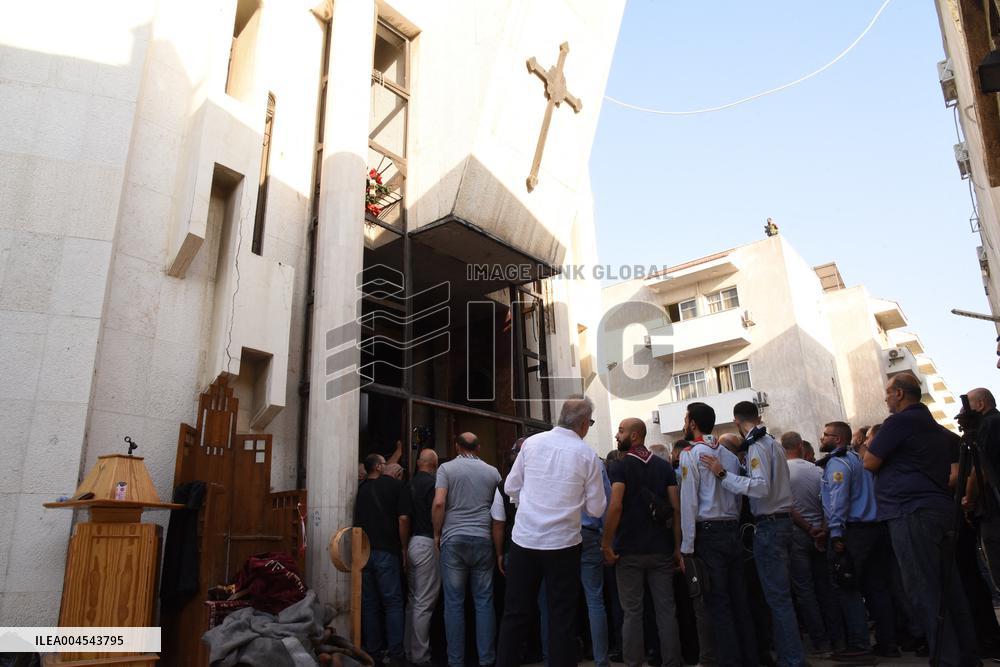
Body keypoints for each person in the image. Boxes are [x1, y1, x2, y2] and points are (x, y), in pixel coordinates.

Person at [864, 373, 978, 666]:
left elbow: (870, 461)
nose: (886, 398)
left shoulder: (899, 422)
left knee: (924, 591)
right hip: (938, 510)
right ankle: (968, 656)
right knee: (950, 590)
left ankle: (946, 659)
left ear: (900, 393)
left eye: (888, 392)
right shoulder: (936, 428)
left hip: (910, 511)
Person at [497, 396, 607, 667]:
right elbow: (596, 509)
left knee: (515, 613)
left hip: (525, 539)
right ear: (584, 423)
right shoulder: (587, 455)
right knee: (562, 617)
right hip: (564, 544)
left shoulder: (532, 443)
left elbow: (510, 486)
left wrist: (529, 503)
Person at [700, 401, 805, 667]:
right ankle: (790, 656)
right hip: (780, 523)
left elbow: (759, 487)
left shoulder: (757, 445)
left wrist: (722, 474)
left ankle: (793, 660)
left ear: (737, 421)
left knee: (778, 600)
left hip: (770, 525)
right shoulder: (773, 443)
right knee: (781, 598)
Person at [679, 403, 758, 667]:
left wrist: (687, 546)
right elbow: (737, 498)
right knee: (740, 600)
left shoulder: (691, 454)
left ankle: (730, 660)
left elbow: (689, 502)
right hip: (731, 529)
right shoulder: (729, 455)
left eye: (686, 419)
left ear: (692, 423)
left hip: (709, 533)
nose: (685, 424)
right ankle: (750, 657)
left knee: (718, 602)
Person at [602, 418, 683, 667]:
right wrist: (677, 547)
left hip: (628, 551)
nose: (617, 435)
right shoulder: (663, 466)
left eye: (621, 431)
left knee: (632, 612)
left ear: (635, 436)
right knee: (666, 610)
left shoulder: (620, 466)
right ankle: (672, 662)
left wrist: (606, 543)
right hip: (661, 549)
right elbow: (675, 508)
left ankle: (633, 662)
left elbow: (615, 505)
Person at [819, 421, 897, 659]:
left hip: (853, 532)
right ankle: (888, 643)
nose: (822, 438)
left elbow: (838, 500)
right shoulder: (857, 460)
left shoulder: (838, 463)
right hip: (873, 529)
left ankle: (860, 644)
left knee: (847, 586)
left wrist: (835, 533)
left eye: (826, 435)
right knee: (876, 588)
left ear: (838, 439)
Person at [433, 432, 502, 667]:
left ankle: (456, 661)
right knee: (484, 601)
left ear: (456, 447)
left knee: (454, 603)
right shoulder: (493, 472)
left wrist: (437, 533)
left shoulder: (446, 469)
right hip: (483, 538)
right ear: (478, 448)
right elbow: (499, 511)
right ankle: (486, 659)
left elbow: (439, 502)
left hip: (453, 539)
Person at [354, 453, 411, 665]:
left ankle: (372, 652)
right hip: (387, 552)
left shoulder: (359, 490)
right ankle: (396, 653)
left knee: (369, 605)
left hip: (363, 552)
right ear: (378, 467)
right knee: (393, 603)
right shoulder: (395, 486)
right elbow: (403, 518)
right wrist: (403, 547)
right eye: (384, 463)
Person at [782, 431, 834, 656]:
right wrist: (821, 528)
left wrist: (808, 528)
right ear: (801, 447)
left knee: (804, 590)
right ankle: (836, 636)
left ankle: (820, 641)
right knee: (825, 586)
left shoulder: (783, 472)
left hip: (798, 534)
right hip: (820, 534)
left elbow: (788, 505)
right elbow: (829, 503)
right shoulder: (818, 470)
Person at [404, 448, 439, 667]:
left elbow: (404, 517)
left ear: (418, 463)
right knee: (424, 602)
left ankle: (409, 651)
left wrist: (403, 547)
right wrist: (438, 535)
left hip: (412, 543)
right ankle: (420, 656)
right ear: (434, 464)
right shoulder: (434, 484)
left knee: (413, 600)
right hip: (427, 542)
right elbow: (438, 508)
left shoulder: (409, 484)